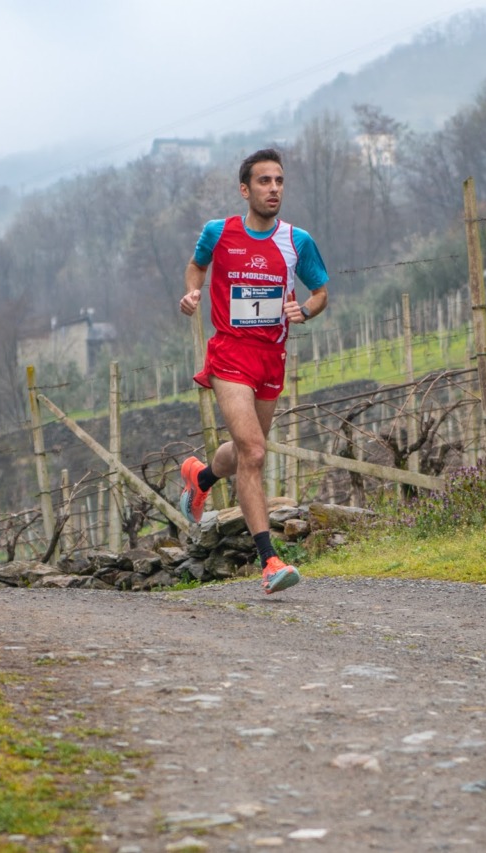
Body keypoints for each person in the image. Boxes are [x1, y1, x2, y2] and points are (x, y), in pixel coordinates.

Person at [178, 148, 330, 594]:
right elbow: (196, 267)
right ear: (245, 190)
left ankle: (201, 476)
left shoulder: (297, 241)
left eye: (279, 181)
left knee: (249, 450)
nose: (274, 189)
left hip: (270, 358)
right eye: (264, 181)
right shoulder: (218, 232)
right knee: (255, 454)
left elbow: (321, 291)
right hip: (229, 355)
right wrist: (192, 294)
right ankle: (270, 562)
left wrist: (305, 310)